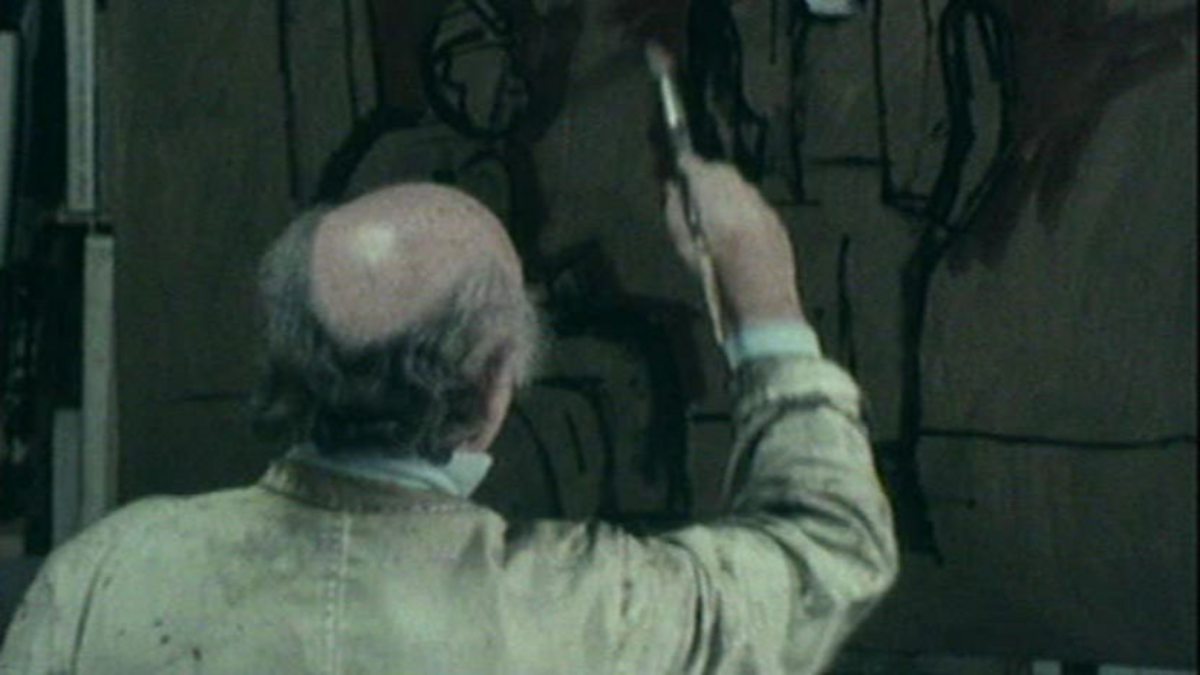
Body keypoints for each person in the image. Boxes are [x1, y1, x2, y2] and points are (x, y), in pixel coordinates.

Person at [0, 155, 898, 674]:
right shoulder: (601, 608)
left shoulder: (102, 577)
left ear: (290, 357)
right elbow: (827, 552)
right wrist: (765, 305)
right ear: (497, 380)